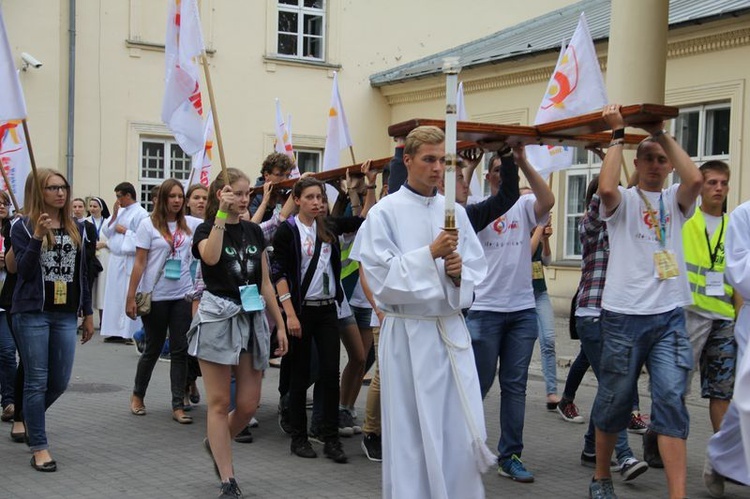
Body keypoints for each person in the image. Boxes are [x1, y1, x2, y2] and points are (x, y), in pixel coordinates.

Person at [351, 126, 492, 498]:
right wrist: (429, 253)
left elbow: (477, 272)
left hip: (449, 333)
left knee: (456, 427)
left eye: (443, 161)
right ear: (408, 160)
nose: (436, 168)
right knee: (412, 430)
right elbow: (381, 282)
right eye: (429, 159)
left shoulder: (456, 213)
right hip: (409, 336)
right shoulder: (384, 213)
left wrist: (460, 276)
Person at [588, 104, 703, 499]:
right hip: (623, 316)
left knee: (671, 399)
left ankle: (677, 494)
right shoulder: (623, 201)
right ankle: (602, 476)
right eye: (649, 159)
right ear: (637, 162)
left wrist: (663, 133)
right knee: (615, 400)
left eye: (661, 160)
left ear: (668, 165)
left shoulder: (674, 199)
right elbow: (605, 188)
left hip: (669, 315)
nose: (656, 165)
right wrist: (618, 135)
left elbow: (697, 180)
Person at [188, 168, 287, 498]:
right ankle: (228, 478)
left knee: (247, 405)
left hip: (251, 317)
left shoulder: (254, 232)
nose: (246, 200)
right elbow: (211, 257)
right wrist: (218, 215)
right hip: (218, 318)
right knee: (218, 403)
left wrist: (281, 323)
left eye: (248, 194)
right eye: (240, 193)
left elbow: (264, 282)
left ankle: (215, 444)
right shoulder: (205, 227)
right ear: (223, 194)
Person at [466, 146, 554, 483]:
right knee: (478, 384)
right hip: (484, 310)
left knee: (515, 388)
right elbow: (456, 206)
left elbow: (548, 202)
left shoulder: (522, 206)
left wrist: (522, 162)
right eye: (498, 171)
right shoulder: (477, 209)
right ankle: (464, 445)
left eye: (507, 172)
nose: (503, 177)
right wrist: (470, 167)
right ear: (489, 176)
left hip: (521, 311)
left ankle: (510, 456)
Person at [11, 168, 95, 472]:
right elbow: (24, 270)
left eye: (63, 187)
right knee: (37, 380)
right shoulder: (22, 226)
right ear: (39, 191)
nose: (60, 193)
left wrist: (87, 312)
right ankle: (40, 447)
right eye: (52, 188)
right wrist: (36, 237)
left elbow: (83, 273)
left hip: (64, 314)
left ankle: (30, 418)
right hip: (32, 312)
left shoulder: (78, 227)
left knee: (59, 382)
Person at [272, 177, 360, 463]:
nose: (317, 202)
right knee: (299, 374)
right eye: (310, 197)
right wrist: (290, 315)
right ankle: (298, 437)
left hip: (326, 310)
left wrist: (364, 189)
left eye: (320, 197)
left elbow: (362, 221)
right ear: (297, 200)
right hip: (301, 310)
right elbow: (279, 274)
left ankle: (330, 438)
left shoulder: (328, 228)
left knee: (330, 373)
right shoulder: (287, 231)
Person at [571, 176, 648, 481]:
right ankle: (625, 455)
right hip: (591, 315)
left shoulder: (625, 228)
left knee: (611, 386)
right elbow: (602, 203)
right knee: (616, 388)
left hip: (618, 316)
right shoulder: (590, 227)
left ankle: (592, 448)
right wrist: (610, 176)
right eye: (608, 196)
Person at [125, 179, 200, 423]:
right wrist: (130, 296)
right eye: (172, 196)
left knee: (180, 349)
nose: (177, 200)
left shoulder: (191, 224)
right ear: (162, 199)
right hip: (155, 296)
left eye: (181, 196)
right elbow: (139, 262)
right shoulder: (148, 226)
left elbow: (219, 223)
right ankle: (138, 395)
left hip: (182, 295)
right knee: (153, 348)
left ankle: (178, 404)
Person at [682, 160, 739, 432]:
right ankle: (659, 437)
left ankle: (724, 457)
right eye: (712, 182)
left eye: (723, 183)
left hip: (723, 319)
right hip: (688, 314)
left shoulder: (734, 225)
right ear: (701, 186)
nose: (718, 188)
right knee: (677, 387)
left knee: (722, 391)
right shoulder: (686, 218)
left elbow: (740, 278)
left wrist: (740, 320)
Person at [704, 198, 750, 496]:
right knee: (748, 400)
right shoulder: (744, 215)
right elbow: (739, 274)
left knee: (745, 402)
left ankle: (720, 456)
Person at [100, 182, 148, 342]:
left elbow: (143, 237)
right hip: (116, 259)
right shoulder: (120, 211)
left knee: (127, 294)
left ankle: (128, 332)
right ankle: (114, 329)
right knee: (114, 296)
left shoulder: (141, 213)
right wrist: (114, 215)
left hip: (130, 259)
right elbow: (106, 231)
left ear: (128, 195)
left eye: (119, 196)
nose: (118, 200)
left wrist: (126, 232)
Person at [0, 191, 16, 423]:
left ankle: (9, 401)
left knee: (6, 351)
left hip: (6, 301)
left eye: (4, 203)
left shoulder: (15, 229)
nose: (1, 206)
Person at [86, 197, 111, 327]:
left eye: (95, 206)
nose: (93, 209)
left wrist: (105, 244)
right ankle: (86, 320)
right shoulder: (86, 222)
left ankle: (103, 321)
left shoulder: (108, 222)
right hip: (90, 258)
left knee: (102, 288)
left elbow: (115, 240)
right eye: (90, 206)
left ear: (101, 208)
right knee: (89, 287)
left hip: (104, 258)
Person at [250, 152, 293, 222]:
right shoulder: (254, 196)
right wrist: (267, 205)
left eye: (288, 175)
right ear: (266, 175)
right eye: (280, 175)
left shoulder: (287, 193)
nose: (285, 179)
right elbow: (252, 227)